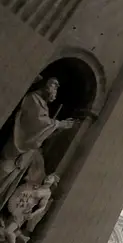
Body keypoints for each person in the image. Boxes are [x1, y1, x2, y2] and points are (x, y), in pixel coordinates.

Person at [0, 78, 74, 208]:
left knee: (8, 182)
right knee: (3, 173)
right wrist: (58, 124)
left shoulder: (42, 104)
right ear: (47, 86)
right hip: (16, 149)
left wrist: (56, 128)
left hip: (24, 155)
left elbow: (42, 133)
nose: (55, 92)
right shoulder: (33, 99)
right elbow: (38, 123)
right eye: (54, 88)